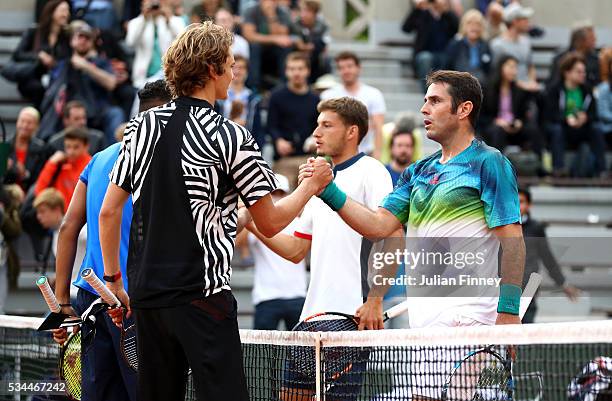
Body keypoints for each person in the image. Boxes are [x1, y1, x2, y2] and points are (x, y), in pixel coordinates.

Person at [98, 22, 331, 401]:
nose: (235, 71)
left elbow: (109, 213)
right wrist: (311, 185)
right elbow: (270, 221)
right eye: (229, 62)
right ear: (211, 69)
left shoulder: (141, 127)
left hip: (147, 299)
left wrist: (114, 282)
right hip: (203, 298)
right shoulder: (232, 135)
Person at [301, 70, 525, 400]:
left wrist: (508, 311)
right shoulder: (419, 171)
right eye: (424, 101)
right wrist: (329, 190)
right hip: (423, 319)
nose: (424, 109)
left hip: (469, 316)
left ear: (463, 110)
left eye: (435, 101)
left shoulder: (489, 163)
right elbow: (378, 226)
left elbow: (513, 240)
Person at [246, 96, 395, 400]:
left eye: (327, 125)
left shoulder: (373, 171)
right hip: (310, 318)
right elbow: (295, 249)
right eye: (317, 125)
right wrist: (252, 222)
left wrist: (375, 300)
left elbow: (393, 236)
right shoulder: (315, 183)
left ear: (352, 132)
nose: (316, 132)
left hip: (349, 319)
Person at [50, 79, 172, 401]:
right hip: (133, 305)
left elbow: (67, 227)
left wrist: (62, 304)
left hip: (90, 301)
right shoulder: (159, 163)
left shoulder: (101, 157)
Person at [235, 174, 307, 330]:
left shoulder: (300, 222)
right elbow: (236, 242)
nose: (276, 197)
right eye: (272, 194)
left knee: (300, 353)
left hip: (297, 295)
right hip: (266, 297)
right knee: (262, 353)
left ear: (287, 195)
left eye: (281, 193)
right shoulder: (255, 221)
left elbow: (296, 252)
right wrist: (248, 214)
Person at [44, 21, 125, 144]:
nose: (83, 41)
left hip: (98, 110)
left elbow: (111, 83)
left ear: (91, 43)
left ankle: (116, 153)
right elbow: (54, 90)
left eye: (87, 38)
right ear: (72, 41)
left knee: (116, 113)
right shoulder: (64, 64)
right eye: (79, 37)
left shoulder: (100, 62)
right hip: (72, 108)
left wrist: (86, 66)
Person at [518, 187, 580, 324]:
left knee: (525, 332)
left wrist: (563, 284)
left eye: (521, 201)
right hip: (504, 288)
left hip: (529, 287)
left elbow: (547, 258)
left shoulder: (536, 228)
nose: (517, 205)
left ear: (529, 205)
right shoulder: (500, 226)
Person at [542, 52, 606, 177]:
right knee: (557, 130)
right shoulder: (554, 89)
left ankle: (602, 170)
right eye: (579, 71)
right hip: (563, 127)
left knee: (597, 129)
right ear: (567, 72)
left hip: (582, 127)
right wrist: (566, 119)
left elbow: (594, 114)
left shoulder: (587, 90)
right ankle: (558, 169)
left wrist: (585, 118)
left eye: (584, 71)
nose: (583, 74)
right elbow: (549, 115)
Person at [268, 52, 320, 189]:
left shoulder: (315, 99)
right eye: (292, 69)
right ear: (286, 71)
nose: (296, 73)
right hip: (284, 160)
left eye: (300, 69)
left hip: (309, 159)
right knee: (280, 196)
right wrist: (278, 140)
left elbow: (319, 126)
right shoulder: (276, 96)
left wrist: (314, 140)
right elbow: (271, 125)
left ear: (307, 71)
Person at [321, 51, 386, 159]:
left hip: (366, 152)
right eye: (342, 68)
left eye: (349, 66)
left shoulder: (374, 94)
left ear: (358, 68)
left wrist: (377, 155)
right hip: (336, 155)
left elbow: (378, 128)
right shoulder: (328, 95)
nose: (346, 71)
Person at [7, 0, 71, 107]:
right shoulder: (34, 32)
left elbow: (68, 58)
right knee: (39, 89)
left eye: (68, 11)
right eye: (63, 10)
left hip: (56, 79)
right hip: (33, 77)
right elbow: (18, 54)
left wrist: (55, 63)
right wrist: (39, 56)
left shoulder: (66, 37)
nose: (66, 14)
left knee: (60, 90)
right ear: (52, 12)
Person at [480, 55, 541, 155]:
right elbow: (481, 116)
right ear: (500, 68)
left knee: (533, 130)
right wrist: (496, 121)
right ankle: (496, 167)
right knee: (497, 131)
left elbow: (524, 113)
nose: (514, 71)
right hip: (496, 127)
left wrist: (519, 122)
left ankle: (539, 166)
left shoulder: (518, 90)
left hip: (514, 127)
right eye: (510, 67)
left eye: (515, 68)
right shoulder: (488, 89)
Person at [125, 0, 186, 89]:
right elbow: (130, 43)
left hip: (169, 77)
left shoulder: (175, 20)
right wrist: (144, 18)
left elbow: (184, 41)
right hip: (144, 77)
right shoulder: (136, 22)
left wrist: (169, 17)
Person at [402, 0, 459, 92]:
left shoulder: (447, 16)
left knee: (448, 60)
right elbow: (406, 28)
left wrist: (446, 10)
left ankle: (443, 93)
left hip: (445, 53)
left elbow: (458, 28)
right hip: (426, 53)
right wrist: (417, 9)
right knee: (425, 58)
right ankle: (429, 92)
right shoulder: (423, 13)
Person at [241, 0, 294, 90]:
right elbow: (249, 36)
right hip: (257, 49)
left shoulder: (282, 12)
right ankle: (254, 86)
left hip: (274, 50)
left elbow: (283, 35)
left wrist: (271, 17)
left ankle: (286, 83)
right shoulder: (251, 11)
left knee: (286, 47)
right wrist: (274, 39)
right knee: (255, 46)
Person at [34, 127, 92, 206]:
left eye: (76, 147)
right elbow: (39, 192)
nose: (71, 152)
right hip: (60, 215)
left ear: (86, 147)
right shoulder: (59, 164)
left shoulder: (92, 166)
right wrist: (51, 163)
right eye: (68, 147)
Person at [490, 3, 540, 92]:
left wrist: (532, 82)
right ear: (514, 21)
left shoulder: (526, 41)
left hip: (528, 89)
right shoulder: (497, 45)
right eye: (524, 19)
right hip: (510, 91)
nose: (528, 22)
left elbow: (530, 66)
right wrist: (523, 85)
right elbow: (499, 75)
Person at [4, 107, 48, 192]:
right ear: (17, 122)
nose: (25, 125)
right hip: (6, 194)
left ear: (37, 126)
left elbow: (41, 178)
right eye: (22, 121)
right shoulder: (5, 145)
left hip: (30, 193)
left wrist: (25, 175)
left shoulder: (41, 149)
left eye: (29, 123)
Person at [445, 9, 492, 84]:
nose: (474, 27)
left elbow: (488, 70)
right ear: (464, 26)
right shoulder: (455, 44)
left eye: (478, 24)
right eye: (470, 23)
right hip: (459, 82)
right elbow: (448, 67)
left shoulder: (485, 45)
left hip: (481, 85)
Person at [548, 23, 600, 88]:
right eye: (591, 38)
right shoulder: (560, 58)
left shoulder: (595, 59)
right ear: (580, 40)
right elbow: (553, 82)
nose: (595, 40)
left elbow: (598, 83)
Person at [290, 0, 331, 83]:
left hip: (315, 55)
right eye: (302, 10)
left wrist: (309, 47)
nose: (303, 14)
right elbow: (293, 39)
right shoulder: (295, 24)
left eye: (307, 11)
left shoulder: (323, 26)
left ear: (314, 13)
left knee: (324, 58)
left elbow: (324, 43)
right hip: (297, 54)